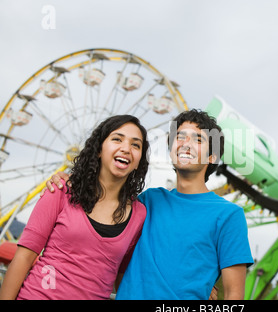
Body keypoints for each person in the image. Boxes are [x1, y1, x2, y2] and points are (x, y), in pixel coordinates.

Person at [40, 109, 253, 300]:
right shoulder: (148, 201)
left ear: (212, 156)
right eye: (179, 137)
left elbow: (234, 293)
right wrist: (68, 180)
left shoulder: (228, 215)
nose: (185, 144)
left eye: (198, 139)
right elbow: (100, 218)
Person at [0, 115, 149, 300]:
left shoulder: (139, 215)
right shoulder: (61, 190)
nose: (126, 148)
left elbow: (122, 278)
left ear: (138, 161)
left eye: (136, 145)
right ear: (99, 150)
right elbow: (23, 257)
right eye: (117, 139)